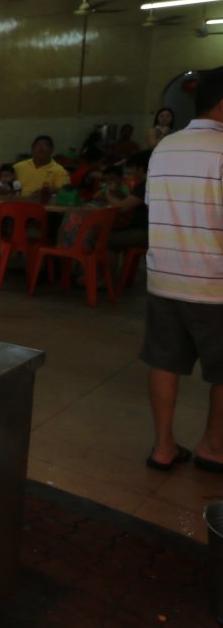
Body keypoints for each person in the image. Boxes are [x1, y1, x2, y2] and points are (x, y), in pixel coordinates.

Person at [142, 66, 223, 472]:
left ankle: (163, 447)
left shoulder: (165, 148)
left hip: (164, 279)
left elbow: (153, 209)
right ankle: (213, 447)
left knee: (165, 362)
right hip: (214, 286)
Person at [107, 151, 150, 252]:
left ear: (139, 168)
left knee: (107, 239)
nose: (130, 171)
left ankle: (107, 268)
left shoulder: (145, 185)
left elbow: (121, 208)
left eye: (131, 168)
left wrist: (108, 194)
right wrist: (117, 193)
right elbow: (133, 201)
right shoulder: (150, 182)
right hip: (149, 231)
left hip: (143, 232)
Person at [12, 135, 70, 201]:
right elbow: (5, 182)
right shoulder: (19, 166)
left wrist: (48, 191)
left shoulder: (59, 170)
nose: (41, 147)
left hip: (43, 206)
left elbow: (65, 190)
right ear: (32, 149)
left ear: (51, 150)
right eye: (38, 144)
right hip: (17, 202)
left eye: (45, 145)